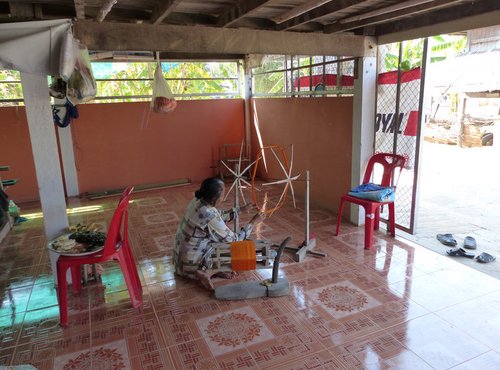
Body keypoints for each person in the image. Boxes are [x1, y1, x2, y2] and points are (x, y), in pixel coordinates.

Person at [173, 177, 262, 290]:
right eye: (223, 194)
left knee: (219, 240)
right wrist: (253, 222)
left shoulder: (197, 201)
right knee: (234, 248)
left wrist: (241, 210)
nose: (224, 197)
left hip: (180, 263)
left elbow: (218, 215)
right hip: (191, 266)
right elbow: (235, 241)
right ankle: (207, 272)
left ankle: (214, 269)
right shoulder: (210, 217)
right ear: (216, 198)